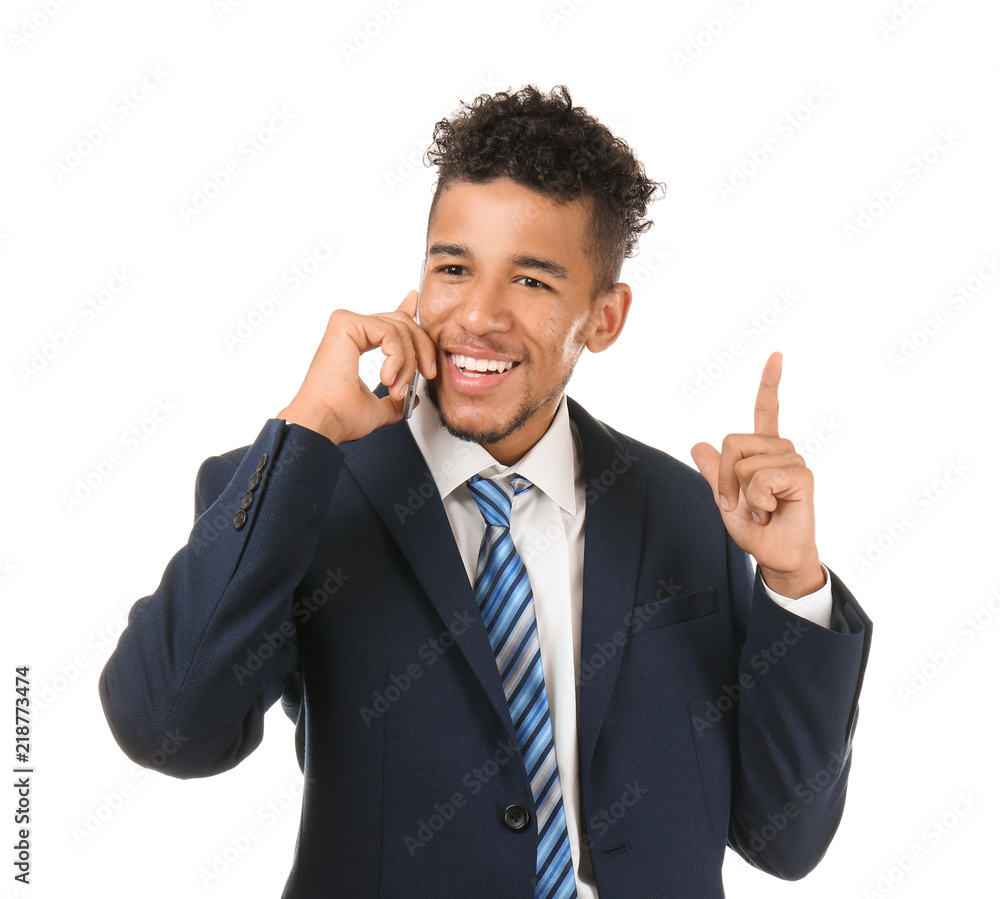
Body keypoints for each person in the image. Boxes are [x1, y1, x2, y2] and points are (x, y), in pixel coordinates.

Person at [99, 84, 872, 899]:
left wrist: (794, 583)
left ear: (604, 318)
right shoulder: (305, 491)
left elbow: (785, 839)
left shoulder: (686, 510)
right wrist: (311, 421)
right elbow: (167, 728)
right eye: (453, 268)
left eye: (532, 281)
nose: (478, 315)